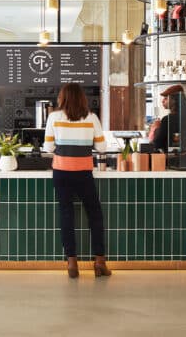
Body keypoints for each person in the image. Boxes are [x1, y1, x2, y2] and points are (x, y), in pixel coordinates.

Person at [43, 83, 111, 278]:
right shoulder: (91, 118)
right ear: (82, 98)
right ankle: (99, 262)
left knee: (66, 215)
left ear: (62, 98)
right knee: (95, 215)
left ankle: (72, 264)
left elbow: (48, 148)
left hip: (62, 171)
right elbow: (102, 148)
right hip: (83, 171)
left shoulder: (54, 117)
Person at [149, 84, 186, 152]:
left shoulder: (168, 119)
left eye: (166, 98)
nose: (162, 101)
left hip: (169, 160)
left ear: (174, 100)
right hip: (184, 158)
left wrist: (155, 129)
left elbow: (157, 144)